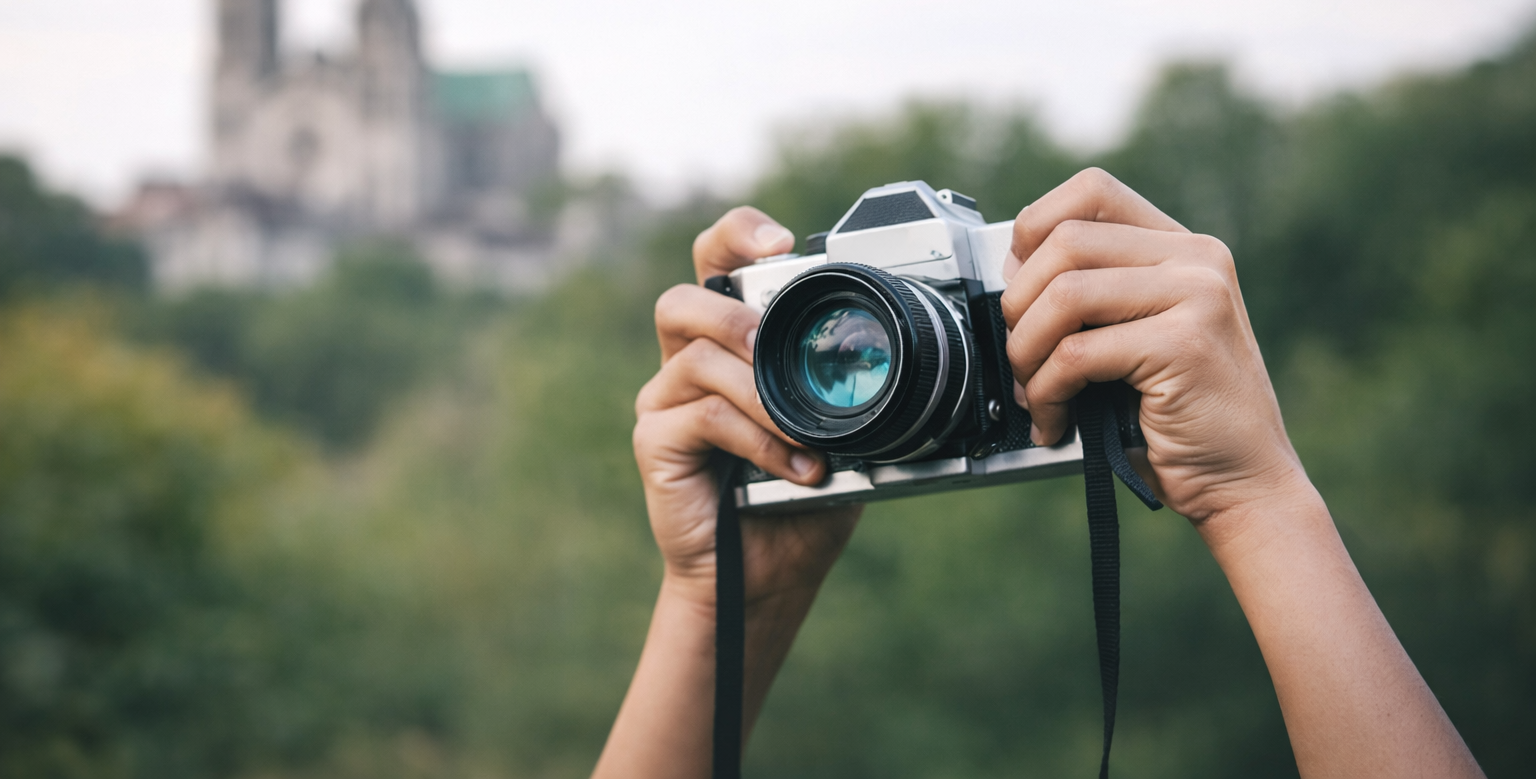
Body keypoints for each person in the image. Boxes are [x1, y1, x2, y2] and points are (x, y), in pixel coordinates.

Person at [592, 168, 1484, 779]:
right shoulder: (750, 550)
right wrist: (725, 600)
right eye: (837, 353)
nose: (858, 361)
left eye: (863, 347)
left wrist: (1252, 498)